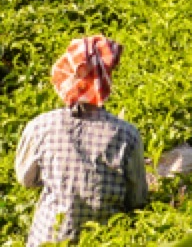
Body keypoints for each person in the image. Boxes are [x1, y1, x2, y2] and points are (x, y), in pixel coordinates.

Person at [15, 36, 149, 244]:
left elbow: (26, 179)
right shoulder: (127, 134)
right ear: (106, 79)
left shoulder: (40, 127)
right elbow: (137, 199)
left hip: (49, 239)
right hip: (104, 240)